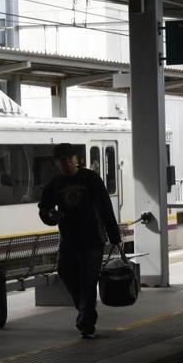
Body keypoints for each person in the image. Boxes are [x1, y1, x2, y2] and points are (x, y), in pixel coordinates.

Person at [38, 142, 121, 338]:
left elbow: (105, 208)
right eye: (62, 161)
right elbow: (44, 209)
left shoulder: (91, 179)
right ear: (57, 163)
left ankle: (86, 323)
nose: (66, 163)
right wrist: (52, 218)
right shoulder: (56, 184)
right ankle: (84, 309)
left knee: (88, 281)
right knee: (66, 274)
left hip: (93, 239)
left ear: (76, 159)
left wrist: (114, 236)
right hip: (69, 240)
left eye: (69, 159)